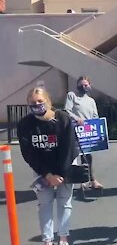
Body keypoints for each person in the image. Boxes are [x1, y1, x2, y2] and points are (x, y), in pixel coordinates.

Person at [17, 87, 78, 245]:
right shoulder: (25, 124)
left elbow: (69, 148)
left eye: (40, 101)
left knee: (65, 202)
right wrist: (48, 175)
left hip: (64, 167)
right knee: (44, 204)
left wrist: (60, 173)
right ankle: (47, 239)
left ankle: (63, 237)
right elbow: (28, 153)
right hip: (42, 170)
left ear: (48, 102)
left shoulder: (63, 118)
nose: (37, 105)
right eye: (33, 103)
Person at [64, 76, 103, 189]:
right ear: (77, 85)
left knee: (87, 157)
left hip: (87, 132)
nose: (84, 87)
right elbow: (67, 110)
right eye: (81, 85)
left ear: (89, 86)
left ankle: (91, 180)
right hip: (74, 130)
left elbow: (95, 116)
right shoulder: (72, 96)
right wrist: (76, 119)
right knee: (75, 156)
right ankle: (80, 181)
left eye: (86, 85)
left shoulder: (91, 101)